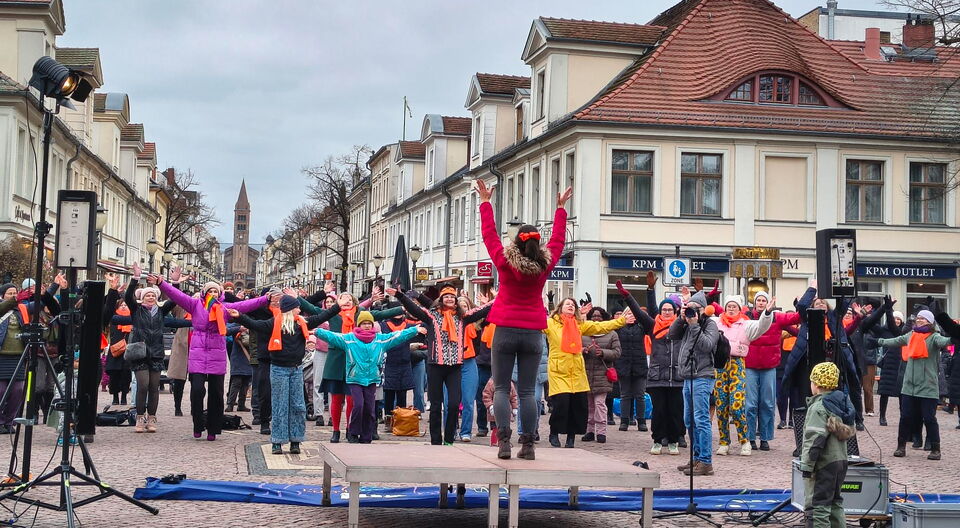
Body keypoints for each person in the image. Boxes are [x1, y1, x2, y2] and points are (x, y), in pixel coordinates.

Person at [476, 178, 572, 461]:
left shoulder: (505, 262)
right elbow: (559, 240)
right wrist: (560, 208)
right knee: (530, 391)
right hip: (533, 330)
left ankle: (504, 442)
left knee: (502, 388)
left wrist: (485, 202)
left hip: (504, 328)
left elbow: (489, 234)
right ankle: (528, 444)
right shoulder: (545, 264)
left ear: (515, 242)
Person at [156, 269, 270, 441]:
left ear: (220, 293)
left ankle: (213, 428)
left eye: (216, 291)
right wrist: (162, 283)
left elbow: (248, 305)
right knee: (197, 390)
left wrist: (266, 299)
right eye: (210, 291)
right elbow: (177, 295)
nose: (213, 293)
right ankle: (198, 423)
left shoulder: (225, 308)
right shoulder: (195, 305)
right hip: (198, 350)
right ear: (204, 293)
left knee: (216, 393)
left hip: (216, 350)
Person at [231, 294, 340, 453]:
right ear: (290, 309)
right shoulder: (273, 323)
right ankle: (277, 441)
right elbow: (255, 324)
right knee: (280, 405)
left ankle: (295, 440)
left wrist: (337, 306)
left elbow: (323, 316)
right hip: (278, 369)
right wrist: (239, 316)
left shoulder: (302, 323)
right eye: (297, 307)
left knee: (298, 406)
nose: (300, 309)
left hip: (296, 369)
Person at [300, 290, 401, 443]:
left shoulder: (360, 313)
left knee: (352, 399)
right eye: (341, 298)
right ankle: (335, 430)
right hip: (336, 359)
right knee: (336, 398)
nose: (345, 300)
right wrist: (297, 298)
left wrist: (402, 309)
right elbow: (312, 309)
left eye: (348, 298)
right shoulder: (332, 313)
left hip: (355, 360)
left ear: (354, 301)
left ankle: (350, 429)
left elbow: (379, 315)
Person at [396, 285, 491, 446]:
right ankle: (435, 440)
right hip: (435, 366)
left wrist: (499, 298)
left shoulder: (463, 317)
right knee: (435, 405)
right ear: (440, 300)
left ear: (456, 301)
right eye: (446, 297)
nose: (449, 299)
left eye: (452, 297)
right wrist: (400, 295)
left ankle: (448, 439)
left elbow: (481, 311)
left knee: (454, 404)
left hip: (455, 367)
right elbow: (415, 308)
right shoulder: (432, 316)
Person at [315, 311, 424, 444]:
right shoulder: (349, 339)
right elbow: (332, 336)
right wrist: (317, 331)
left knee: (369, 408)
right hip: (355, 378)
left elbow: (398, 336)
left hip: (372, 378)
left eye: (369, 323)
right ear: (359, 325)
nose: (366, 326)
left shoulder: (380, 339)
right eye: (364, 323)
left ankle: (366, 436)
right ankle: (353, 433)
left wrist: (414, 330)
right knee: (358, 405)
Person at [544, 298, 632, 450]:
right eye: (568, 304)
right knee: (561, 405)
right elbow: (534, 321)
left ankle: (571, 437)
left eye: (573, 304)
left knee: (576, 406)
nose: (571, 306)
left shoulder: (580, 324)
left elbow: (601, 327)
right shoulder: (551, 323)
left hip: (577, 371)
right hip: (559, 371)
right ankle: (554, 432)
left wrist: (621, 321)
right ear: (560, 308)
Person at [619, 278, 684, 455]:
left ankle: (673, 441)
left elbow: (696, 315)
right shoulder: (653, 325)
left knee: (675, 412)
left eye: (670, 310)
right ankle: (657, 440)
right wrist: (628, 296)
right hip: (657, 376)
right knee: (659, 411)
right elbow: (638, 313)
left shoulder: (681, 326)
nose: (667, 312)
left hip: (676, 376)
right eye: (664, 309)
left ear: (675, 311)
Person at [878, 309, 950, 460]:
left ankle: (936, 449)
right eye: (918, 318)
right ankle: (901, 446)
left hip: (928, 387)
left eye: (923, 319)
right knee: (905, 417)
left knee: (929, 418)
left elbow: (945, 342)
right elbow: (896, 341)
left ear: (930, 322)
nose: (919, 320)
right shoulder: (911, 335)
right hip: (909, 386)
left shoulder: (934, 337)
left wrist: (953, 338)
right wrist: (879, 342)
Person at [712, 295, 773, 456]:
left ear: (740, 309)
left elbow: (762, 326)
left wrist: (767, 313)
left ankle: (744, 441)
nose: (731, 309)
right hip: (720, 365)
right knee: (721, 405)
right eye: (729, 306)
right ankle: (724, 442)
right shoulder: (716, 322)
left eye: (734, 306)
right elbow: (701, 320)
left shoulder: (746, 324)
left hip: (737, 365)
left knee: (737, 406)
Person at [800, 362, 857, 528]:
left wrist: (807, 465)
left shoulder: (818, 407)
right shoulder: (843, 403)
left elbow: (815, 440)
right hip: (840, 461)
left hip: (823, 463)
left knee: (818, 507)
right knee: (835, 501)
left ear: (817, 385)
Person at [670, 290, 720, 476]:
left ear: (702, 310)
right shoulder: (686, 322)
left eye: (694, 309)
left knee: (701, 420)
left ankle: (706, 462)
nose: (691, 312)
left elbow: (706, 345)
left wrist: (694, 325)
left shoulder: (710, 325)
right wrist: (681, 318)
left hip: (702, 377)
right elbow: (672, 334)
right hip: (688, 377)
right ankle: (696, 457)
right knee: (689, 421)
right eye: (688, 308)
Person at [743, 291, 800, 451]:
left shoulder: (777, 317)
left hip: (769, 367)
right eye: (758, 300)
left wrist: (800, 305)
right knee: (750, 404)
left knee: (767, 404)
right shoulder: (746, 317)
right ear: (755, 303)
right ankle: (750, 437)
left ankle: (765, 438)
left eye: (764, 300)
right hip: (750, 366)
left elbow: (797, 318)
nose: (761, 303)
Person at [126, 263, 178, 432]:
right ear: (142, 297)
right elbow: (128, 297)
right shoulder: (137, 310)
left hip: (156, 352)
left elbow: (175, 299)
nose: (150, 297)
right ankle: (140, 417)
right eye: (147, 295)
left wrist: (175, 284)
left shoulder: (161, 311)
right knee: (143, 385)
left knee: (154, 387)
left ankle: (152, 417)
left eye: (152, 295)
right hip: (140, 353)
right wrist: (135, 279)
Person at [612, 277, 652, 434]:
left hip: (640, 364)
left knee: (640, 395)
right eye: (628, 314)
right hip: (623, 364)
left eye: (632, 314)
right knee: (625, 394)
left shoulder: (641, 326)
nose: (631, 317)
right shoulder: (618, 328)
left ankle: (641, 421)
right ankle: (624, 420)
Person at [581, 307, 622, 444]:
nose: (596, 318)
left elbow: (617, 352)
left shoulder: (612, 334)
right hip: (585, 373)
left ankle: (601, 432)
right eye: (593, 316)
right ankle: (590, 431)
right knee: (589, 405)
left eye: (599, 316)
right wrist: (583, 350)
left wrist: (603, 353)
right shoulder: (583, 332)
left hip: (602, 374)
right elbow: (573, 348)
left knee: (599, 404)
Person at [380, 301, 415, 429]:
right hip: (389, 363)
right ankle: (388, 421)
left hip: (404, 363)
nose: (398, 313)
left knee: (402, 394)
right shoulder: (384, 325)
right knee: (388, 395)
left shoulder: (408, 325)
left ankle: (402, 421)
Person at [226, 326, 252, 412]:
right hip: (238, 358)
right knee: (236, 382)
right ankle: (230, 404)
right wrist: (239, 328)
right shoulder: (237, 324)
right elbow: (227, 331)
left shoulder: (252, 323)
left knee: (245, 383)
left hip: (248, 358)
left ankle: (241, 404)